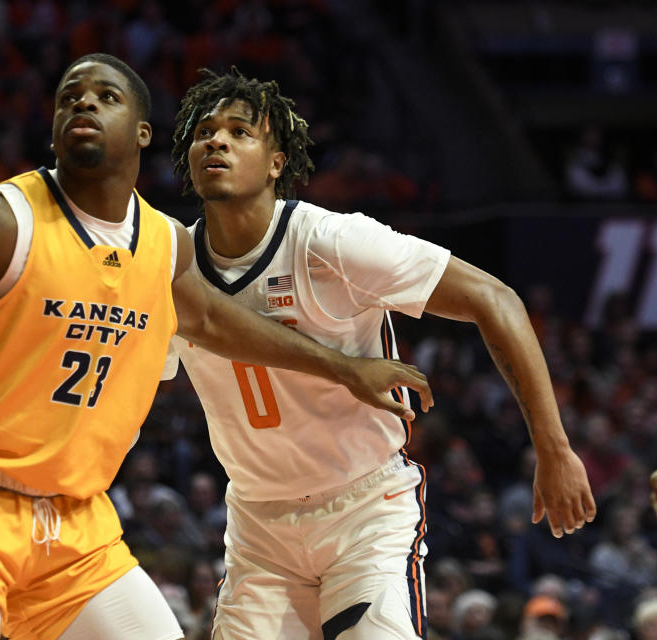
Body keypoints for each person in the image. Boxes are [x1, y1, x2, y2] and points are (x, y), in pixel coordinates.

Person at [0, 53, 432, 640]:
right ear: (52, 130)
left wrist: (346, 368)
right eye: (70, 96)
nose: (84, 103)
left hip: (78, 527)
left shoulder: (166, 245)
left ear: (143, 132)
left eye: (106, 95)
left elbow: (221, 324)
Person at [169, 68, 596, 639]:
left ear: (277, 163)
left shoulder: (330, 241)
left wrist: (554, 446)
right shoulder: (170, 267)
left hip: (363, 511)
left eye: (240, 132)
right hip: (256, 526)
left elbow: (495, 299)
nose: (216, 141)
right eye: (204, 131)